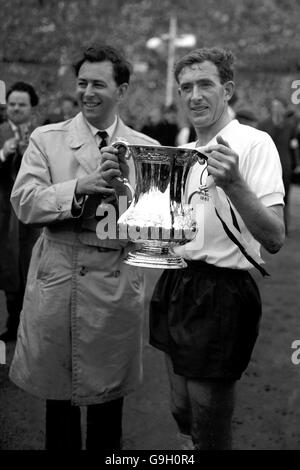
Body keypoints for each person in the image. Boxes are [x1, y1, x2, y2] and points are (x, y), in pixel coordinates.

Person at [9, 44, 158, 450]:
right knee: (59, 404)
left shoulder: (145, 149)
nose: (88, 92)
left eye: (99, 84)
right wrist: (79, 188)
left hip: (114, 285)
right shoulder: (46, 139)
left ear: (122, 90)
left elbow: (155, 226)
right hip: (59, 279)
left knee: (108, 410)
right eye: (82, 83)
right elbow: (24, 201)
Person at [149, 48, 285, 450]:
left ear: (227, 90)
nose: (194, 95)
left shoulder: (255, 143)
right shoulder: (185, 150)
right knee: (180, 408)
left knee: (208, 415)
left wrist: (235, 184)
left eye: (205, 84)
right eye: (186, 87)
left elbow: (275, 237)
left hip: (224, 291)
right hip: (176, 280)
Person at [0, 81, 41, 342]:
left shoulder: (41, 135)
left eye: (21, 104)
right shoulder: (1, 131)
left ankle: (25, 321)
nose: (16, 108)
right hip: (3, 211)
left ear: (31, 107)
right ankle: (12, 319)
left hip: (31, 213)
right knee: (7, 265)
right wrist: (3, 154)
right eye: (12, 104)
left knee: (29, 264)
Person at [258, 98, 298, 233]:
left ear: (284, 108)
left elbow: (294, 146)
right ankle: (266, 227)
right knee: (266, 196)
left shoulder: (290, 125)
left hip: (285, 165)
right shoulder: (263, 124)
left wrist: (296, 164)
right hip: (267, 165)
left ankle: (284, 227)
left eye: (279, 106)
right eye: (274, 106)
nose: (276, 109)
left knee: (285, 197)